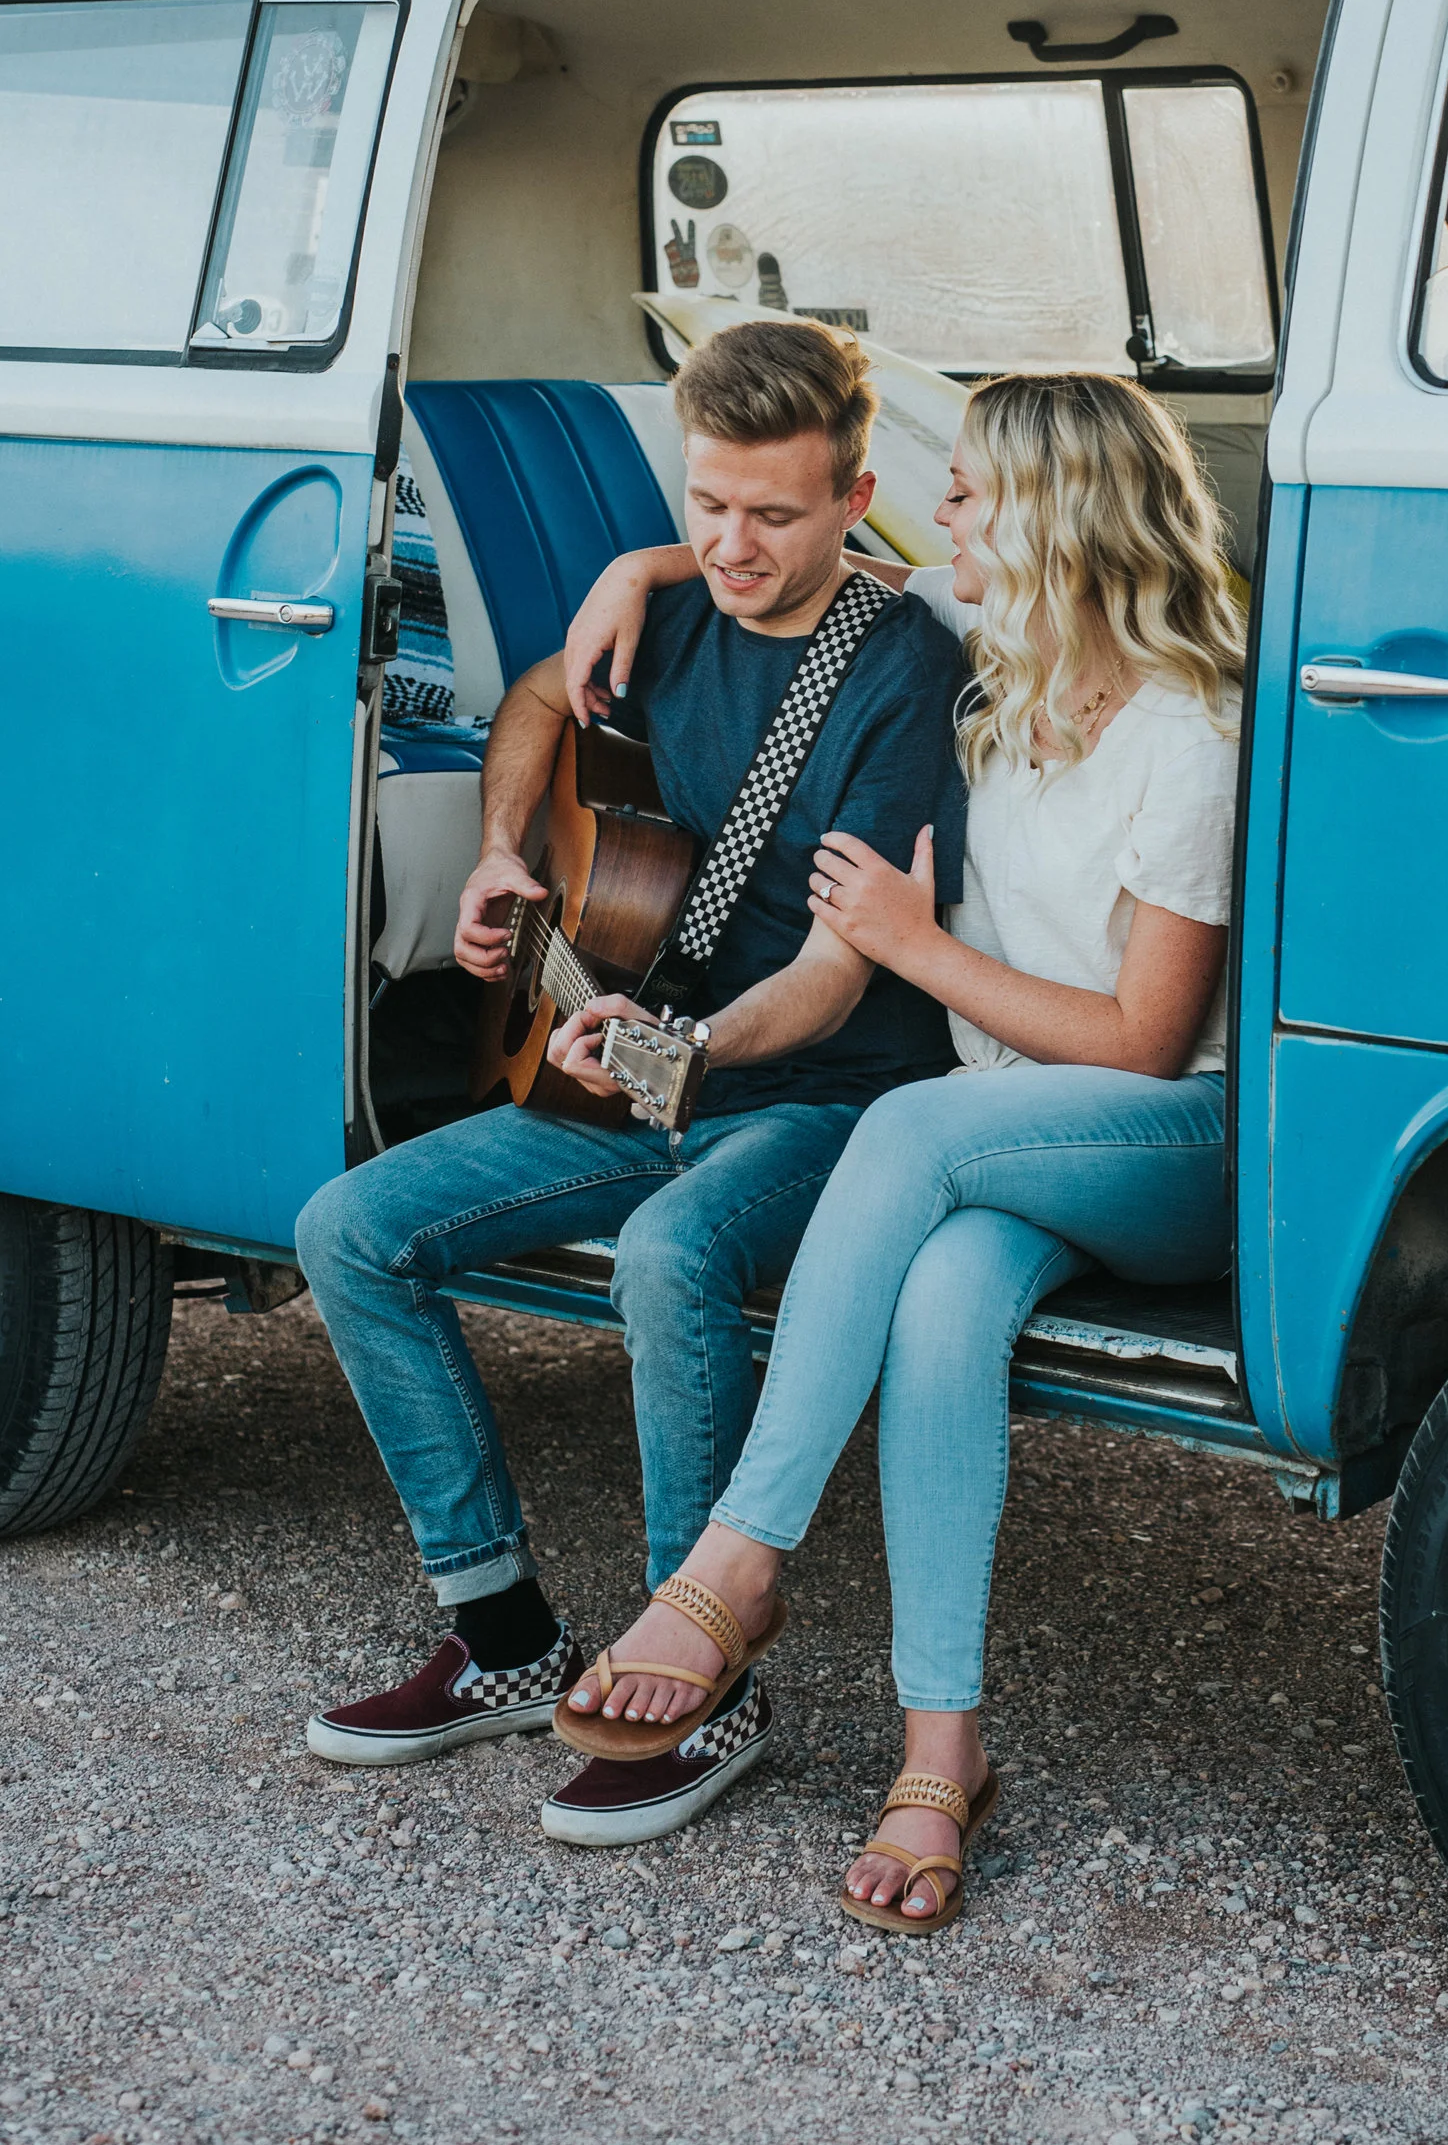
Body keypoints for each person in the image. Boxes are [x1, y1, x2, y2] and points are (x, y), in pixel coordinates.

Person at [554, 372, 1242, 1925]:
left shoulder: (1190, 730)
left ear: (1056, 519)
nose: (944, 517)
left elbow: (1145, 1039)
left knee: (910, 1118)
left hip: (1165, 1143)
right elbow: (799, 559)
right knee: (941, 1310)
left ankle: (736, 1559)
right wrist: (636, 571)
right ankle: (944, 1753)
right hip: (1007, 1138)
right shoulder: (1001, 654)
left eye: (971, 493)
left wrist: (915, 949)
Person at [293, 319, 967, 1833]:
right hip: (638, 1071)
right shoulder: (666, 608)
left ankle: (702, 1670)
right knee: (351, 1229)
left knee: (672, 1253)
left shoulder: (899, 670)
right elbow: (537, 703)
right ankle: (504, 1639)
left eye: (772, 515)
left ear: (857, 502)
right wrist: (501, 856)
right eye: (706, 506)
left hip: (821, 1098)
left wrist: (690, 1051)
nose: (730, 545)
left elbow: (839, 971)